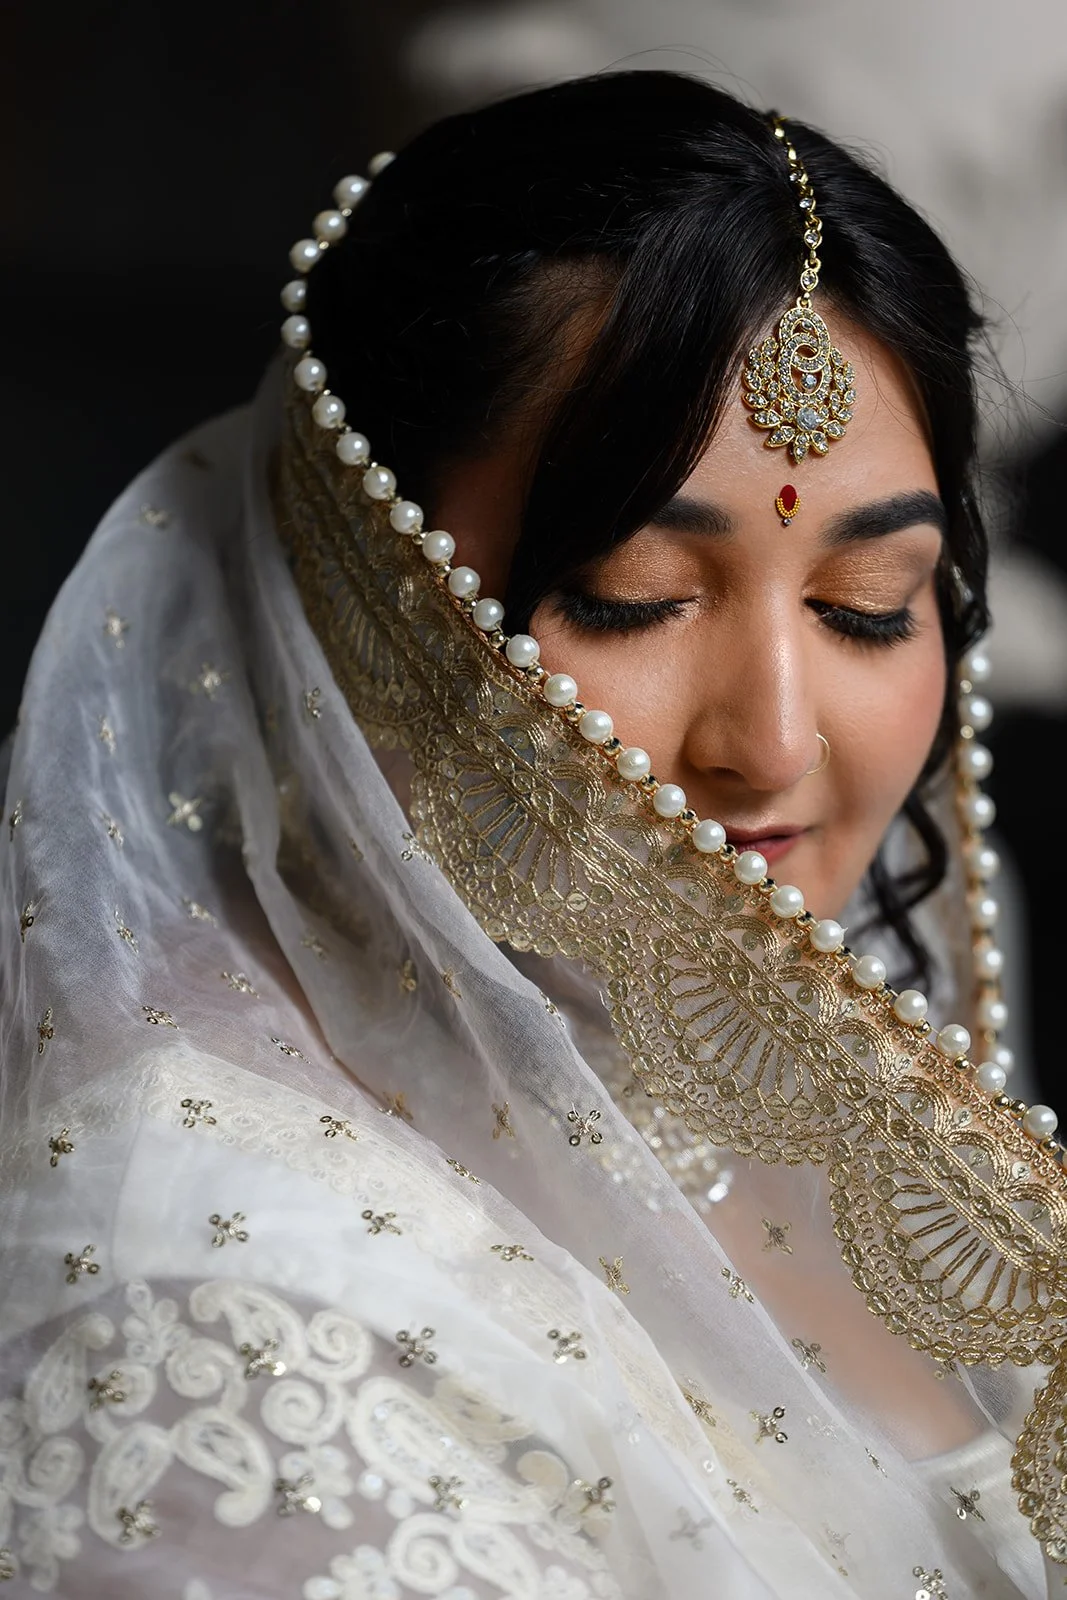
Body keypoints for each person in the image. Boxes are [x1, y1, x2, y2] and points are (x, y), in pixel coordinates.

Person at [0, 69, 1063, 1599]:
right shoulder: (218, 1308)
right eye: (632, 600)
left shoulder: (855, 1064)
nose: (772, 743)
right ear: (355, 596)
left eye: (865, 608)